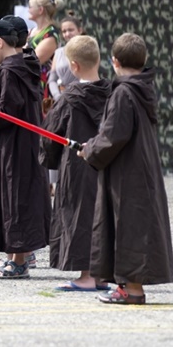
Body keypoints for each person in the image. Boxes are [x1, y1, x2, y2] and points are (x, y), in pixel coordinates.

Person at [79, 33, 173, 305]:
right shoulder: (142, 88)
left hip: (128, 173)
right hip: (136, 169)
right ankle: (127, 287)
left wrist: (89, 150)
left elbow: (112, 137)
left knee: (129, 227)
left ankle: (133, 290)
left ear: (115, 61)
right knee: (129, 226)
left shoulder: (123, 92)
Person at [0, 18, 50, 280]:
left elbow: (4, 112)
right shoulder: (25, 65)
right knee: (15, 197)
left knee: (15, 198)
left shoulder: (10, 70)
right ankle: (15, 257)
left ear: (0, 42)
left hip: (13, 145)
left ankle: (18, 260)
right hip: (21, 143)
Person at [40, 35, 112, 291]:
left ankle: (87, 276)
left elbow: (51, 134)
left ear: (73, 66)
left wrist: (49, 161)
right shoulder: (114, 93)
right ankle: (102, 274)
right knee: (104, 216)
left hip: (78, 166)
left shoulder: (70, 99)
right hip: (109, 166)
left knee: (80, 216)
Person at [27, 0, 65, 112]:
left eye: (30, 6)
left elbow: (35, 59)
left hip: (43, 83)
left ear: (41, 10)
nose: (28, 9)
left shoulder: (51, 33)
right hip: (31, 80)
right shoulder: (32, 31)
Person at [49, 12, 85, 99]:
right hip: (61, 98)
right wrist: (57, 96)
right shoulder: (58, 53)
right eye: (64, 31)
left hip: (82, 97)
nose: (67, 34)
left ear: (79, 30)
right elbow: (52, 80)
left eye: (71, 30)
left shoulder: (87, 50)